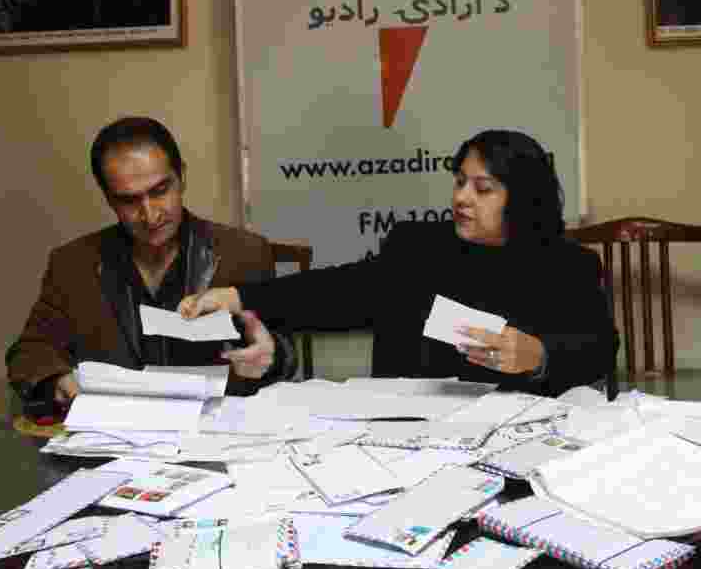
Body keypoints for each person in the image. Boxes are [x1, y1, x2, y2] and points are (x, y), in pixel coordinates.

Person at [179, 130, 619, 397]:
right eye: (460, 181)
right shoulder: (418, 248)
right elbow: (340, 291)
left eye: (483, 188)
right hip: (408, 435)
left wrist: (540, 355)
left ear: (522, 199)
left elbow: (599, 348)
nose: (462, 197)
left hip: (514, 439)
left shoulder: (567, 265)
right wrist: (237, 296)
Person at [6, 117, 296, 410]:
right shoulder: (73, 263)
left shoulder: (243, 251)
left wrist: (272, 355)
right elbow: (30, 351)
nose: (150, 214)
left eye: (159, 191)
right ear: (109, 199)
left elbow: (283, 350)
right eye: (129, 201)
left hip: (218, 433)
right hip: (113, 436)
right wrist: (57, 380)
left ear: (181, 177)